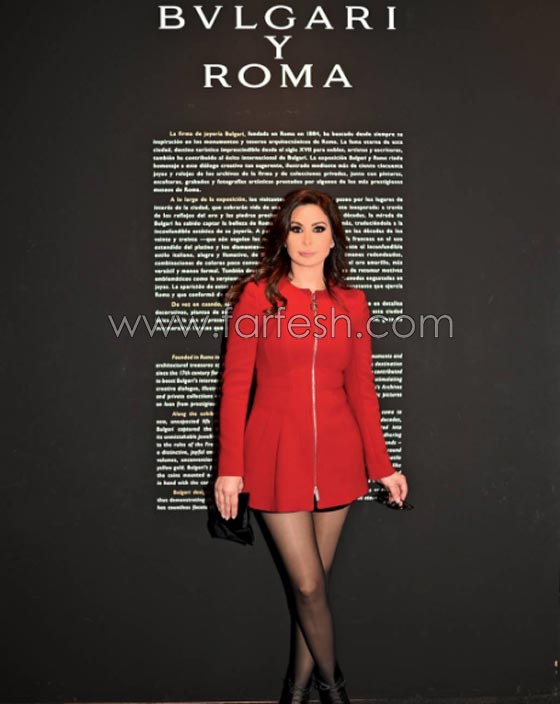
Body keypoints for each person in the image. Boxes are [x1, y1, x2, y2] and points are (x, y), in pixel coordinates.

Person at [214, 188, 408, 704]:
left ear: (334, 237)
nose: (306, 239)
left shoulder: (352, 304)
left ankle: (295, 694)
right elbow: (235, 385)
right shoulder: (258, 297)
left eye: (318, 228)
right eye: (296, 228)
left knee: (315, 587)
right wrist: (230, 467)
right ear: (283, 237)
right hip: (275, 454)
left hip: (339, 456)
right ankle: (336, 691)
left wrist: (383, 466)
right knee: (307, 587)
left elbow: (362, 389)